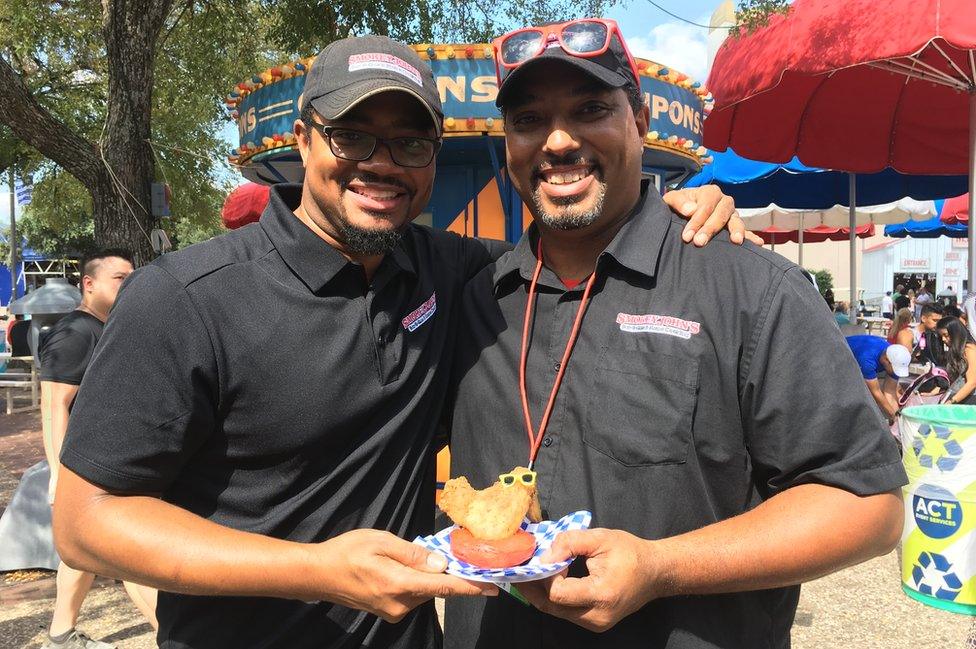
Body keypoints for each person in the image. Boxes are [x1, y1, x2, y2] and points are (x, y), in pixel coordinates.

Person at [50, 35, 744, 649]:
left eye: (411, 143)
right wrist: (316, 571)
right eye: (352, 135)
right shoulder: (185, 300)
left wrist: (668, 212)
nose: (381, 164)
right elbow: (86, 523)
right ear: (301, 139)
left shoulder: (455, 273)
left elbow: (568, 249)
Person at [445, 19, 905, 648]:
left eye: (590, 110)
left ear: (638, 122)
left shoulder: (746, 286)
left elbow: (867, 508)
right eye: (528, 120)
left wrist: (663, 569)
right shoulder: (474, 299)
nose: (556, 141)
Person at [38, 250, 158, 649]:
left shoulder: (109, 327)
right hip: (90, 466)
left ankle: (60, 634)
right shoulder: (74, 332)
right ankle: (172, 634)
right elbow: (54, 404)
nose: (129, 285)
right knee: (130, 554)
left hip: (115, 459)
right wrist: (58, 474)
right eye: (120, 278)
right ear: (89, 285)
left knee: (83, 553)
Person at [842, 326, 910, 423]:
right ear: (886, 360)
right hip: (842, 357)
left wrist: (897, 418)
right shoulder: (867, 360)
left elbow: (890, 391)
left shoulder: (895, 358)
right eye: (895, 369)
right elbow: (875, 392)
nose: (895, 372)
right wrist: (892, 415)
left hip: (863, 354)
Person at [937, 316, 976, 405]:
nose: (943, 339)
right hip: (956, 396)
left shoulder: (970, 349)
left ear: (955, 333)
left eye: (946, 335)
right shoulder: (955, 350)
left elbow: (972, 382)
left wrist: (952, 401)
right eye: (941, 336)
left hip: (970, 399)